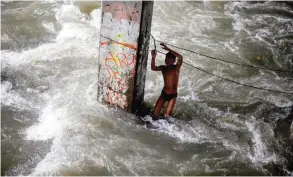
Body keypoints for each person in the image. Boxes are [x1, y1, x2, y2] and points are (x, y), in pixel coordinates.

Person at [151, 43, 183, 121]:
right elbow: (153, 68)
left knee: (167, 116)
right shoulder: (163, 68)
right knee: (154, 115)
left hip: (172, 95)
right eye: (166, 58)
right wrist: (153, 57)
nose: (167, 60)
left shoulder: (176, 68)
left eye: (169, 59)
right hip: (164, 93)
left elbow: (180, 57)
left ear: (173, 61)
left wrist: (167, 48)